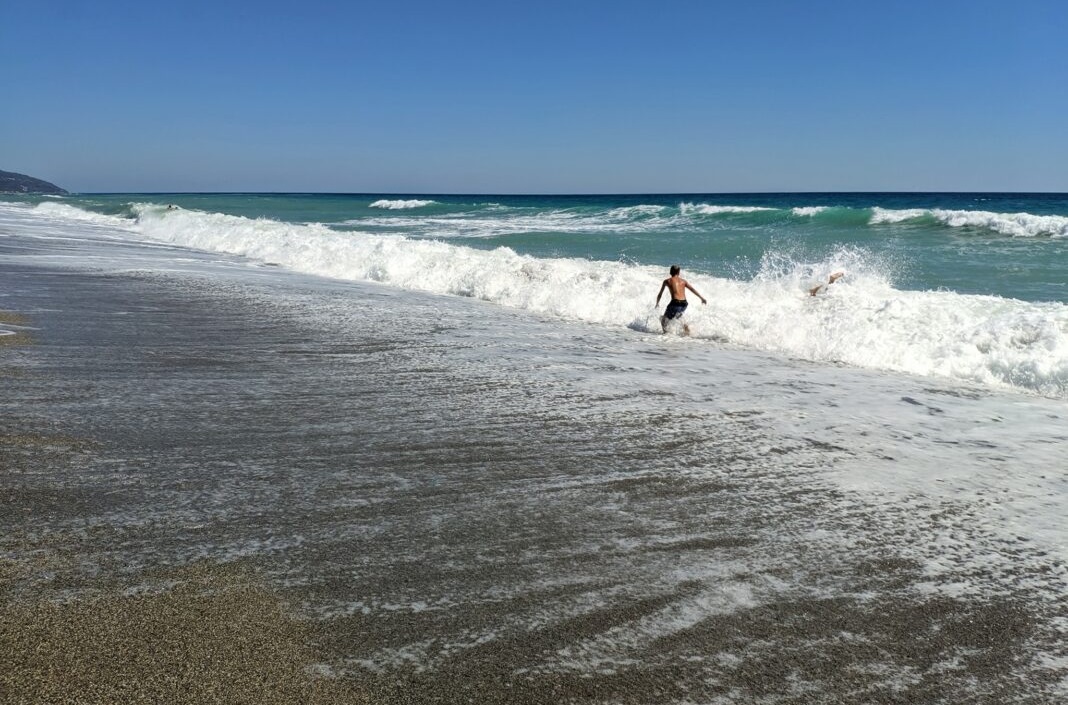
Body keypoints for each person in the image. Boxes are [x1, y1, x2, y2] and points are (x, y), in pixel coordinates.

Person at [656, 265, 707, 334]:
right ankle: (688, 333)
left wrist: (657, 303)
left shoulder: (667, 281)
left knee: (663, 320)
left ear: (670, 272)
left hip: (675, 303)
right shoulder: (683, 281)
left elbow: (660, 294)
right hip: (684, 303)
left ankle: (666, 335)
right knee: (679, 317)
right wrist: (702, 298)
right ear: (679, 272)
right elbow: (692, 289)